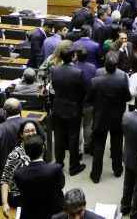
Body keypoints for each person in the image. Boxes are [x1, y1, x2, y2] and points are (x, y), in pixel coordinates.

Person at [88, 52, 131, 182]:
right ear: (116, 66)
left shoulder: (95, 81)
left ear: (104, 66)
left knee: (99, 147)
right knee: (117, 145)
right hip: (117, 117)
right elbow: (128, 98)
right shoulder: (122, 79)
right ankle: (117, 170)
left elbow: (89, 99)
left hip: (100, 117)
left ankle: (96, 175)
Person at [51, 42, 87, 176]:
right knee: (73, 138)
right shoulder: (78, 72)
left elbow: (54, 87)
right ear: (73, 57)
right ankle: (73, 166)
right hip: (74, 108)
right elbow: (85, 91)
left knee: (59, 136)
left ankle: (59, 163)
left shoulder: (54, 70)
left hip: (58, 107)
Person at [0, 120, 46, 216]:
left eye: (33, 130)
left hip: (38, 194)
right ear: (21, 134)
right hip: (20, 198)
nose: (30, 133)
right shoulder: (15, 155)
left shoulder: (41, 146)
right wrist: (5, 203)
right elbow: (5, 180)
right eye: (27, 131)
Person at [14, 135, 65, 219]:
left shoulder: (18, 174)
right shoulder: (56, 168)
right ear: (44, 148)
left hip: (31, 215)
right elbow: (61, 185)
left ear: (26, 152)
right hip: (54, 214)